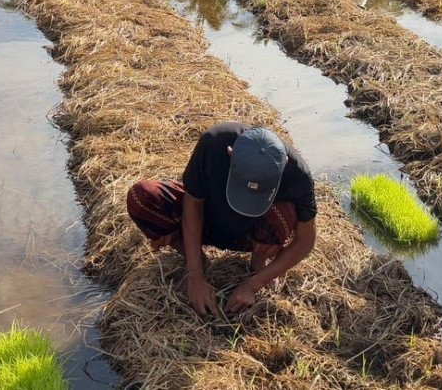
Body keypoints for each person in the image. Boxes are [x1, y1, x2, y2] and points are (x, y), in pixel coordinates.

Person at [126, 123, 318, 316]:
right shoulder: (213, 143)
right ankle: (198, 259)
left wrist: (255, 284)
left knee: (287, 211)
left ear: (284, 164)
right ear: (230, 154)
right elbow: (193, 204)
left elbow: (306, 239)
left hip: (251, 235)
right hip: (209, 222)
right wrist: (195, 273)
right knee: (141, 196)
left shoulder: (298, 174)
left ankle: (257, 263)